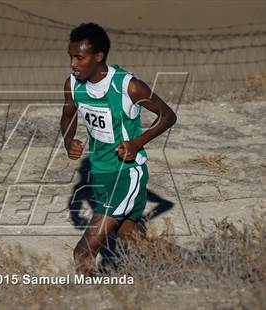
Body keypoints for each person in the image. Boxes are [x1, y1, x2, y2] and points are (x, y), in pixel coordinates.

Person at [60, 23, 177, 276]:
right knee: (130, 242)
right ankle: (172, 271)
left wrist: (137, 143)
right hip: (100, 173)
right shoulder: (73, 85)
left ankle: (89, 298)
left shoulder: (128, 86)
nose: (73, 63)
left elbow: (167, 116)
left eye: (79, 57)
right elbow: (67, 114)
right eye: (71, 56)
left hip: (126, 174)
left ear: (98, 56)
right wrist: (69, 141)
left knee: (83, 250)